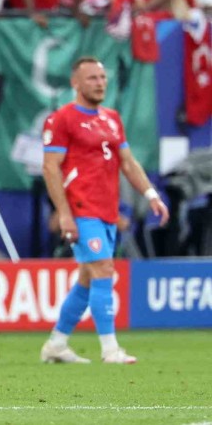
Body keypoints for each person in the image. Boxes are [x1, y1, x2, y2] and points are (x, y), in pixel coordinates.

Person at [40, 56, 169, 365]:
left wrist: (150, 193)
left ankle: (56, 344)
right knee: (103, 269)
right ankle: (110, 350)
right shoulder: (62, 119)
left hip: (107, 210)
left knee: (87, 279)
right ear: (75, 83)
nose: (100, 83)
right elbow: (50, 167)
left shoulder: (112, 118)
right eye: (92, 78)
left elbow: (128, 162)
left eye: (102, 77)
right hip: (81, 208)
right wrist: (64, 213)